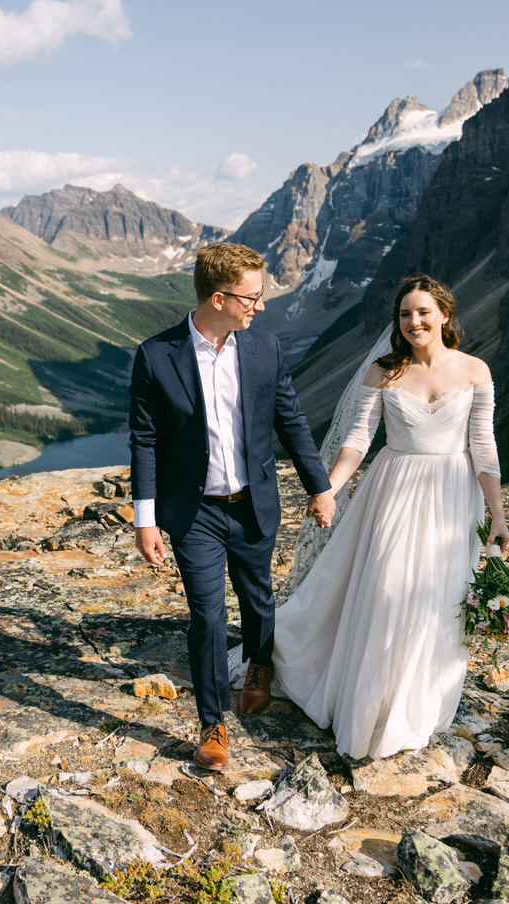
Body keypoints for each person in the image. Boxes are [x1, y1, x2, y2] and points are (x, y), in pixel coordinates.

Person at [265, 273, 509, 760]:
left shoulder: (475, 371)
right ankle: (369, 706)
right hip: (393, 488)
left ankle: (414, 707)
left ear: (444, 315)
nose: (414, 321)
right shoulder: (383, 371)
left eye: (423, 312)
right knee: (388, 589)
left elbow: (483, 447)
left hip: (452, 494)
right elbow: (358, 440)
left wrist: (498, 514)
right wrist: (330, 489)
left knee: (439, 600)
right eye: (405, 314)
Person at [129, 242, 336, 772]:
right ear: (218, 298)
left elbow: (290, 420)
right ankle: (212, 722)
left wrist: (320, 486)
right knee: (206, 616)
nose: (260, 306)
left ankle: (259, 666)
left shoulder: (263, 348)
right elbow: (145, 439)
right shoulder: (157, 354)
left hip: (252, 504)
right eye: (252, 296)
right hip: (193, 512)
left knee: (257, 595)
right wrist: (145, 518)